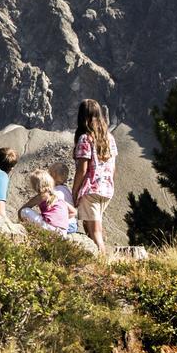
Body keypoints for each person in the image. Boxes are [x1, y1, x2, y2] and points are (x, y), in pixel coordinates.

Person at [72, 99, 117, 254]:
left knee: (95, 232)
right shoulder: (109, 138)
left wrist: (74, 191)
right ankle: (96, 258)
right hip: (107, 190)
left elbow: (82, 170)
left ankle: (103, 263)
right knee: (90, 226)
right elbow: (113, 167)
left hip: (91, 190)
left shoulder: (85, 138)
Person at [19, 169, 75, 234]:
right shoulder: (57, 195)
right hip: (63, 232)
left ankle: (27, 230)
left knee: (25, 211)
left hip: (51, 229)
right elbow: (73, 212)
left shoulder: (42, 196)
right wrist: (59, 220)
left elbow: (21, 210)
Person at [48, 161, 78, 234]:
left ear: (53, 175)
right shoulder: (67, 190)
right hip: (72, 223)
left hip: (66, 225)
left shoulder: (56, 192)